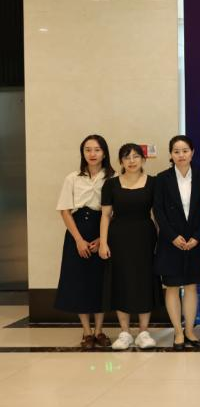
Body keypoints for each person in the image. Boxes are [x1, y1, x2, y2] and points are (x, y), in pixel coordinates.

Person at [55, 134, 115, 349]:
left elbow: (114, 213)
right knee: (79, 281)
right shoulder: (72, 178)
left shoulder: (113, 178)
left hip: (103, 231)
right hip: (77, 231)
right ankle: (87, 332)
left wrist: (102, 239)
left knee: (100, 282)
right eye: (88, 150)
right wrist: (79, 240)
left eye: (97, 150)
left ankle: (99, 331)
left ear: (104, 153)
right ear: (82, 153)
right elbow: (65, 211)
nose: (92, 154)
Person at [99, 143, 159, 350]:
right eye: (127, 157)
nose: (132, 161)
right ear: (121, 161)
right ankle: (124, 332)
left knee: (144, 281)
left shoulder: (153, 183)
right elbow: (105, 215)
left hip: (145, 237)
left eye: (136, 156)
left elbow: (157, 215)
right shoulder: (111, 184)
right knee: (121, 281)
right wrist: (103, 242)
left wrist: (161, 240)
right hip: (118, 238)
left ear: (143, 159)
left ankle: (143, 332)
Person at [153, 135, 200, 350]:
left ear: (192, 152)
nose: (181, 155)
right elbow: (158, 211)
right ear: (171, 154)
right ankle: (177, 332)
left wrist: (197, 237)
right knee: (172, 287)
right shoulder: (162, 179)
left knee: (191, 286)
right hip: (171, 241)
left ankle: (190, 331)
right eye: (176, 151)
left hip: (194, 240)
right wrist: (172, 236)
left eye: (185, 151)